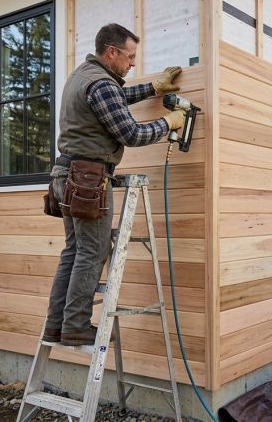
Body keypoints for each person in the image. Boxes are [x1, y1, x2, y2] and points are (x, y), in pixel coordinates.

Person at [42, 23, 186, 347]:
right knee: (92, 251)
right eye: (130, 56)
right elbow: (132, 134)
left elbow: (115, 99)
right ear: (112, 52)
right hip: (87, 179)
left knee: (75, 251)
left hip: (67, 176)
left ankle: (57, 325)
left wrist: (153, 88)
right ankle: (76, 326)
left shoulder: (85, 76)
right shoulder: (101, 84)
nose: (132, 63)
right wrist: (169, 122)